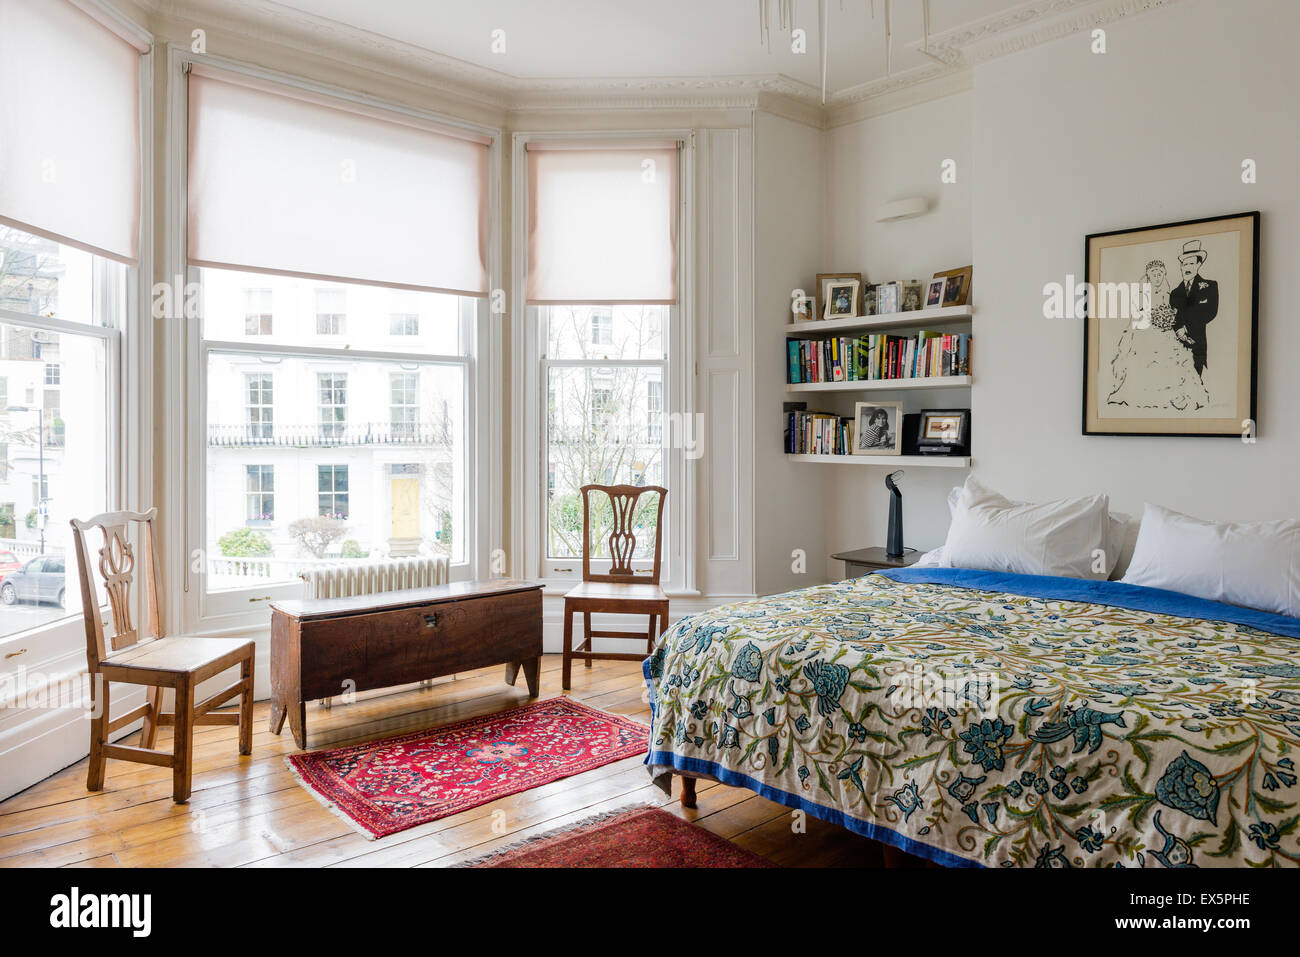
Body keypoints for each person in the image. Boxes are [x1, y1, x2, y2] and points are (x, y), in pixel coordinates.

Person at [1107, 258, 1208, 411]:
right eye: (1154, 273)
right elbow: (1137, 315)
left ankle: (1177, 396)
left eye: (1160, 273)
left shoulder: (1170, 294)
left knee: (1174, 360)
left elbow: (1173, 312)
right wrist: (1152, 318)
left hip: (1166, 332)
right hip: (1145, 333)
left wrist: (1168, 319)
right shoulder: (1142, 294)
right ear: (1148, 275)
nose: (1157, 277)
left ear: (1164, 274)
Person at [1168, 239, 1219, 378]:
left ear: (1199, 264)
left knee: (1196, 382)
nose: (1187, 267)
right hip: (1176, 345)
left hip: (1198, 344)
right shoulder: (1174, 293)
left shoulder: (1210, 286)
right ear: (1180, 267)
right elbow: (1172, 316)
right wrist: (1179, 330)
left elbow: (1210, 312)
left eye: (1191, 263)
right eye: (1184, 264)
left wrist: (1187, 326)